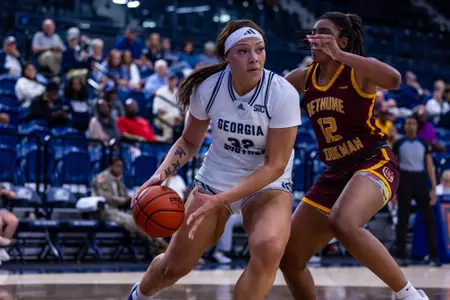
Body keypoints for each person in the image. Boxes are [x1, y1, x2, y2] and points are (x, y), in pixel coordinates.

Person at [128, 19, 301, 300]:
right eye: (244, 51)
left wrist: (223, 200)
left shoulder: (282, 94)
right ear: (226, 56)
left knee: (269, 249)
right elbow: (189, 141)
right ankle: (137, 296)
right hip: (216, 179)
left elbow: (275, 166)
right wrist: (163, 173)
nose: (254, 57)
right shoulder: (208, 88)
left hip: (267, 183)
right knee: (173, 267)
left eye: (260, 49)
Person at [281, 12, 429, 300]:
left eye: (325, 32)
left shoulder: (357, 72)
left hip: (373, 160)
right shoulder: (304, 77)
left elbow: (394, 78)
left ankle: (410, 295)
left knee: (344, 222)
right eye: (314, 32)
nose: (316, 37)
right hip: (335, 171)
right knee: (290, 259)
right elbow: (269, 95)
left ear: (343, 41)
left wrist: (341, 55)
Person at [91, 157, 167, 253]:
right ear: (111, 166)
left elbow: (124, 194)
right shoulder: (102, 178)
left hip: (116, 210)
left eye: (121, 167)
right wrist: (124, 200)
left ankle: (157, 244)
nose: (120, 169)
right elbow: (107, 197)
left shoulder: (118, 179)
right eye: (117, 166)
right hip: (104, 210)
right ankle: (158, 245)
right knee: (132, 221)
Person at [393, 116, 440, 267]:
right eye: (408, 123)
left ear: (417, 127)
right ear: (404, 127)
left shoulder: (423, 144)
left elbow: (430, 166)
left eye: (413, 123)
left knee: (428, 219)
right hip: (404, 178)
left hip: (420, 178)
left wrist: (433, 188)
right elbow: (393, 167)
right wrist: (393, 190)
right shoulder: (399, 143)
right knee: (403, 219)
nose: (411, 126)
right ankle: (401, 255)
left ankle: (433, 255)